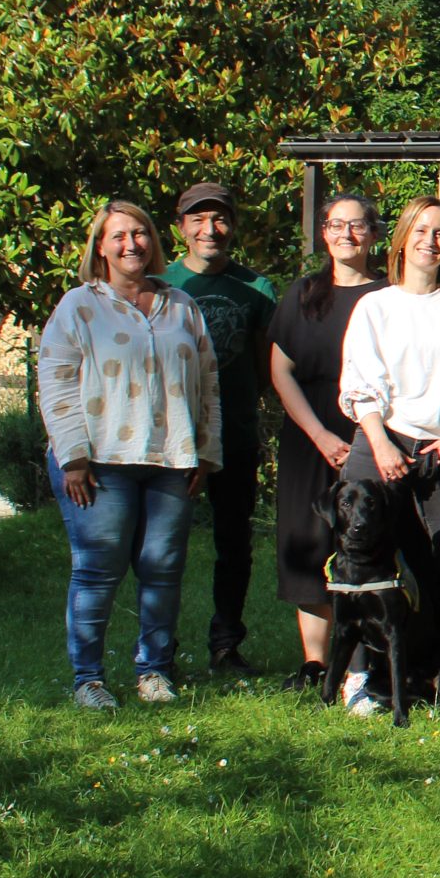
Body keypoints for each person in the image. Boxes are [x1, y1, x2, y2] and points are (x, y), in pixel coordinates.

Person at [39, 200, 222, 710]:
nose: (131, 244)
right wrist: (72, 456)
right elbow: (54, 383)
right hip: (100, 462)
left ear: (153, 241)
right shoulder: (78, 305)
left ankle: (154, 672)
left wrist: (205, 452)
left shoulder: (181, 304)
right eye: (118, 235)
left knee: (162, 567)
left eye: (140, 233)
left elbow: (208, 381)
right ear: (101, 246)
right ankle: (88, 680)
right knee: (99, 569)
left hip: (172, 459)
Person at [336, 196, 440, 711]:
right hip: (379, 440)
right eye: (422, 231)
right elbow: (360, 383)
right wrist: (381, 443)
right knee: (366, 562)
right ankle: (361, 677)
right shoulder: (375, 306)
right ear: (402, 239)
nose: (432, 242)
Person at [266, 193, 386, 694]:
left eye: (356, 226)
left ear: (373, 235)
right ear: (324, 233)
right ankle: (316, 663)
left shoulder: (388, 296)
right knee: (307, 543)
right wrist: (319, 436)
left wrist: (363, 438)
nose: (346, 235)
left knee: (364, 547)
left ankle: (357, 665)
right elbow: (280, 370)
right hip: (308, 436)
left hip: (370, 436)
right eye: (336, 225)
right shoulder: (302, 294)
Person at [161, 181, 280, 676]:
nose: (210, 229)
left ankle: (225, 645)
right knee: (162, 546)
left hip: (234, 433)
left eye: (220, 218)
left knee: (234, 545)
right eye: (198, 219)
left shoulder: (257, 289)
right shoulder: (161, 284)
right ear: (181, 227)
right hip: (170, 440)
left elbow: (269, 368)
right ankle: (157, 654)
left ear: (233, 225)